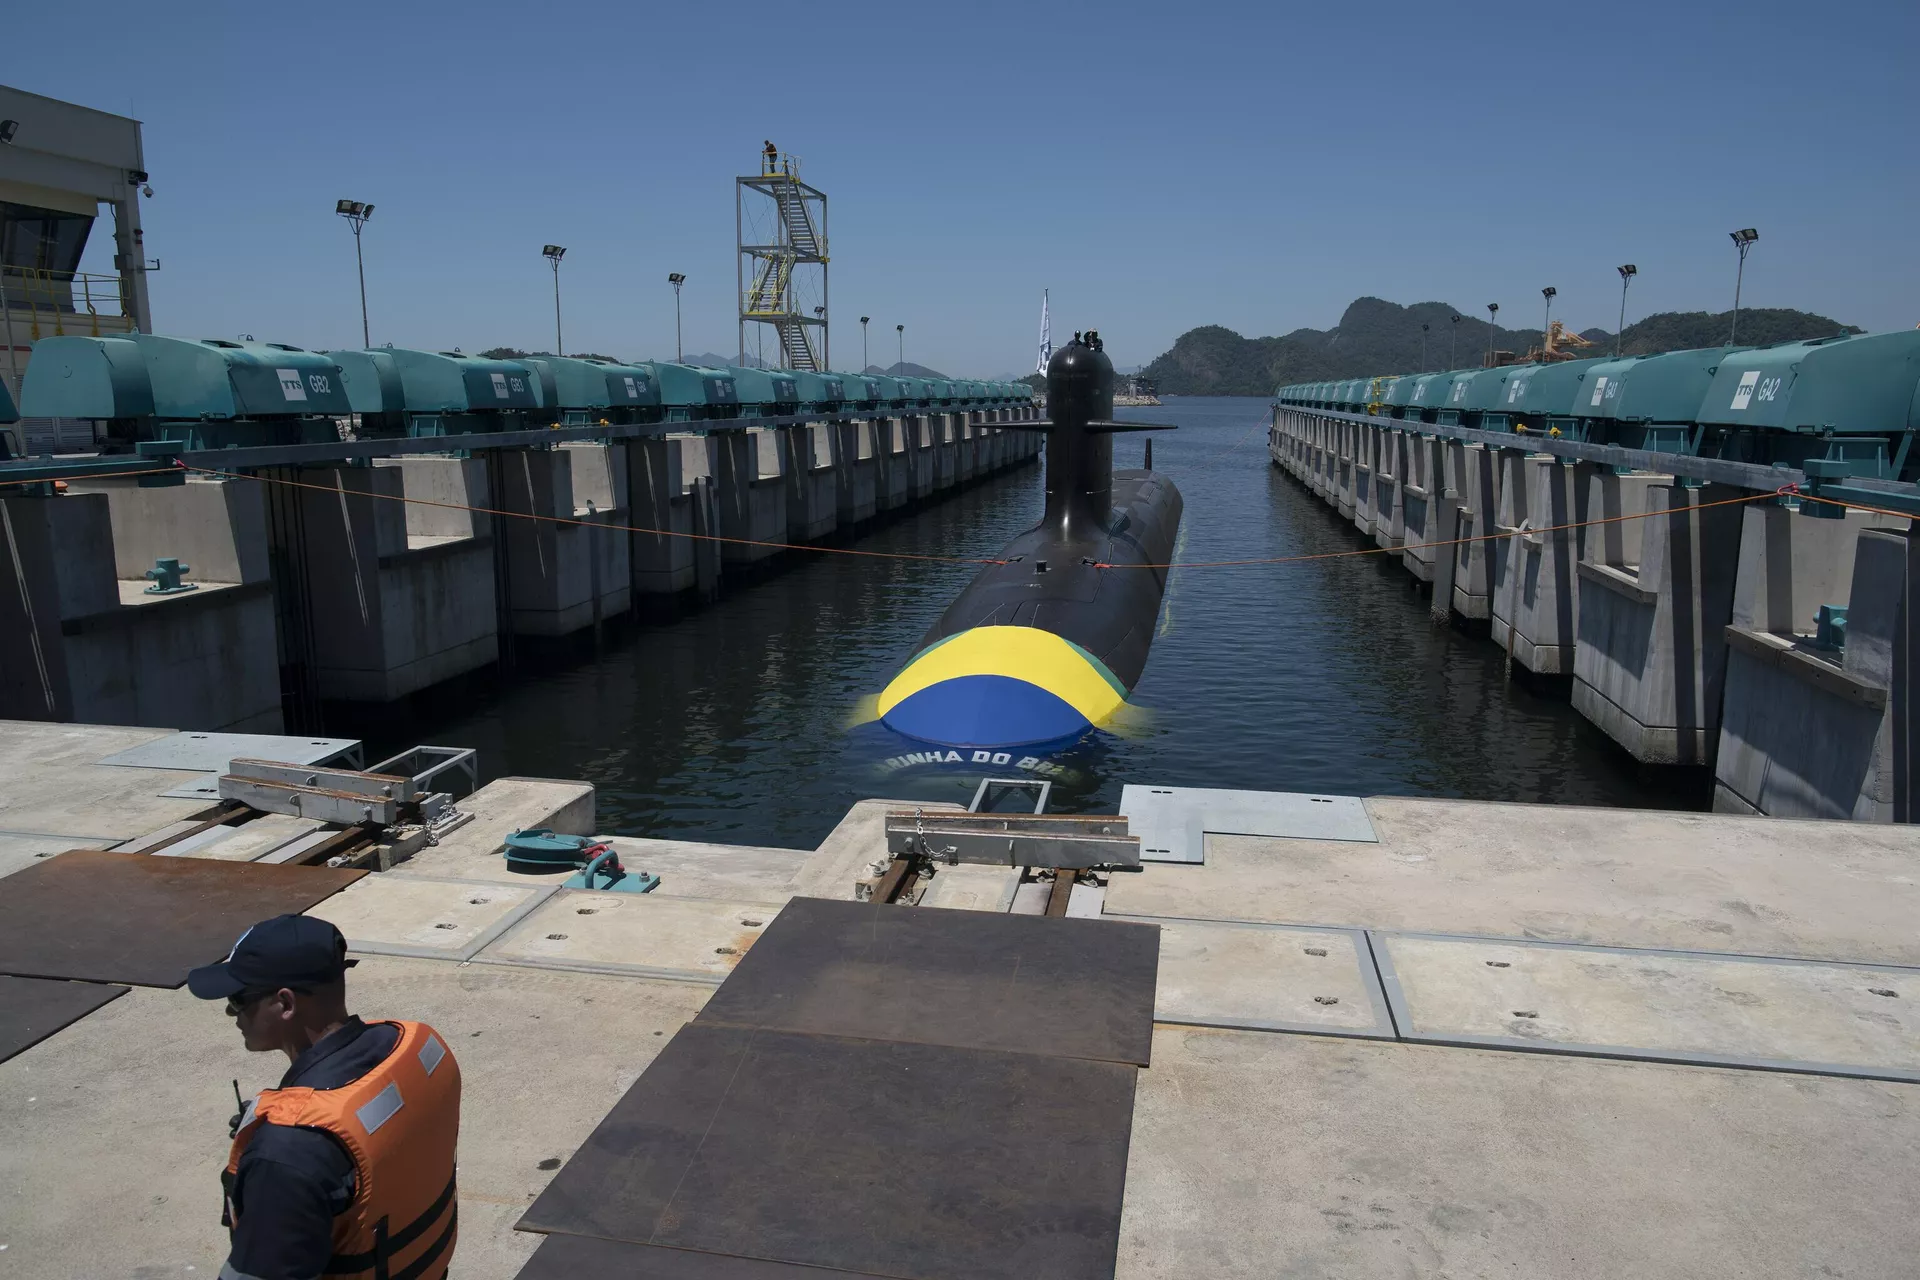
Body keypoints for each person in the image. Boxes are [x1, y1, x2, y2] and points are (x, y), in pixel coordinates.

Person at [189, 915, 461, 1280]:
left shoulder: (287, 1154)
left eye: (239, 999)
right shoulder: (416, 1050)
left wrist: (273, 1144)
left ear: (285, 1004)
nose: (230, 1012)